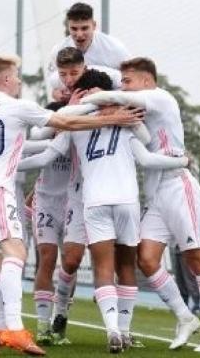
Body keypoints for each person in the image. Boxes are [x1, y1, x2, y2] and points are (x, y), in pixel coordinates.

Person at [0, 54, 144, 356]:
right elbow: (66, 121)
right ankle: (14, 328)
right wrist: (112, 118)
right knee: (14, 254)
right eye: (16, 76)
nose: (19, 81)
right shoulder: (18, 106)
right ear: (5, 79)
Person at [20, 73, 189, 353]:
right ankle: (115, 329)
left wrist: (9, 163)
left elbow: (44, 153)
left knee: (106, 269)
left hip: (96, 202)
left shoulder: (84, 126)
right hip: (114, 202)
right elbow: (147, 154)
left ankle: (114, 329)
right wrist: (181, 160)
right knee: (109, 266)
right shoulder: (120, 125)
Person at [81, 57, 200, 352]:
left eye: (129, 81)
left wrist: (98, 96)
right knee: (146, 259)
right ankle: (185, 317)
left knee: (196, 259)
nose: (124, 87)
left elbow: (118, 97)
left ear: (146, 81)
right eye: (122, 82)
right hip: (156, 193)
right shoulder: (135, 112)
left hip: (179, 184)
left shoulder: (161, 98)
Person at [28, 47, 125, 346]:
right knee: (47, 258)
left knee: (71, 260)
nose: (69, 79)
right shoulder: (55, 109)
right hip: (47, 194)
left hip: (77, 194)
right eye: (64, 74)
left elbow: (126, 85)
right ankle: (44, 326)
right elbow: (40, 142)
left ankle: (61, 314)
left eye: (74, 73)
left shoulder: (102, 103)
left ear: (84, 70)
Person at [47, 2, 130, 102]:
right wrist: (56, 94)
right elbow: (54, 87)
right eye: (74, 29)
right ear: (68, 27)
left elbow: (132, 85)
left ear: (94, 25)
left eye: (84, 28)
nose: (79, 34)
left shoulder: (116, 49)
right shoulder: (57, 50)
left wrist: (105, 94)